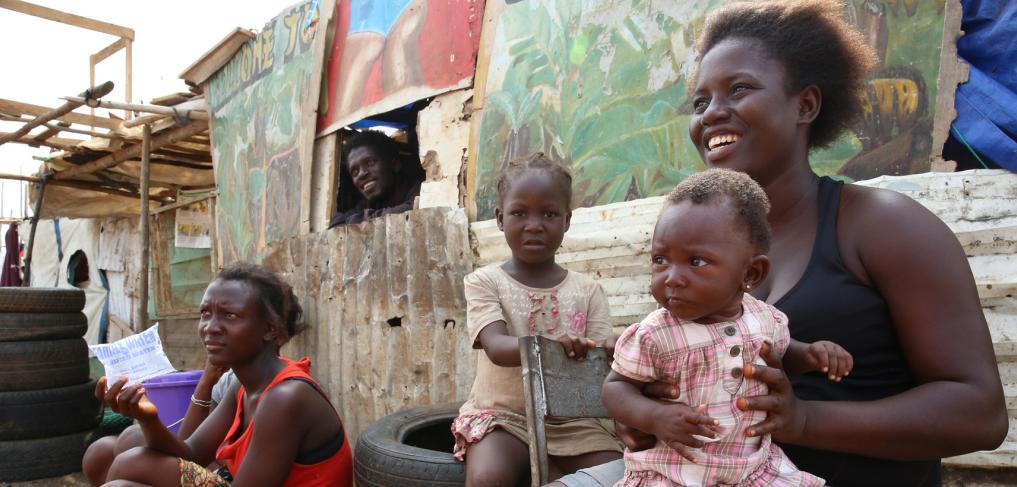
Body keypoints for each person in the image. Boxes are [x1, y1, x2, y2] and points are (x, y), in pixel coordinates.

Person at [555, 1, 1007, 486]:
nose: (712, 114)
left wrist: (804, 421)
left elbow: (978, 412)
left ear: (805, 105)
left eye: (739, 89)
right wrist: (644, 416)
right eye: (700, 102)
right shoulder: (694, 244)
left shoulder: (885, 226)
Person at [603, 169, 855, 486]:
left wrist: (811, 356)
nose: (672, 277)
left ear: (751, 273)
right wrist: (655, 417)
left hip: (752, 468)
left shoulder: (766, 319)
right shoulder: (655, 333)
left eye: (695, 262)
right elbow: (615, 387)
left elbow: (778, 355)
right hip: (675, 470)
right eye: (660, 259)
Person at [452, 152, 623, 486]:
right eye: (519, 213)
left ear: (567, 220)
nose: (534, 225)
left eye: (548, 213)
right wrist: (553, 347)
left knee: (622, 473)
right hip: (503, 418)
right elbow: (497, 346)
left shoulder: (588, 290)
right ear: (501, 218)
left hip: (574, 422)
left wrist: (617, 348)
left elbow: (601, 359)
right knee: (489, 478)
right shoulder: (485, 282)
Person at [98, 263, 353, 487]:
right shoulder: (242, 386)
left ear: (269, 329)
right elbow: (193, 452)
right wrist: (147, 417)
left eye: (230, 315)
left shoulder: (286, 397)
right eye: (206, 313)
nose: (210, 327)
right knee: (131, 462)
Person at [82, 362, 233, 486]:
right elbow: (192, 452)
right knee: (102, 451)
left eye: (231, 322)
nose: (210, 327)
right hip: (215, 466)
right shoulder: (229, 381)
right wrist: (207, 380)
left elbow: (196, 458)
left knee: (129, 463)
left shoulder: (249, 384)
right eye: (205, 322)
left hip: (235, 476)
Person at [328, 130, 423, 228]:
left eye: (370, 163)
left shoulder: (423, 192)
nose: (361, 174)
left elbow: (413, 210)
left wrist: (360, 220)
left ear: (395, 164)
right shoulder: (366, 205)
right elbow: (335, 226)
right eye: (355, 171)